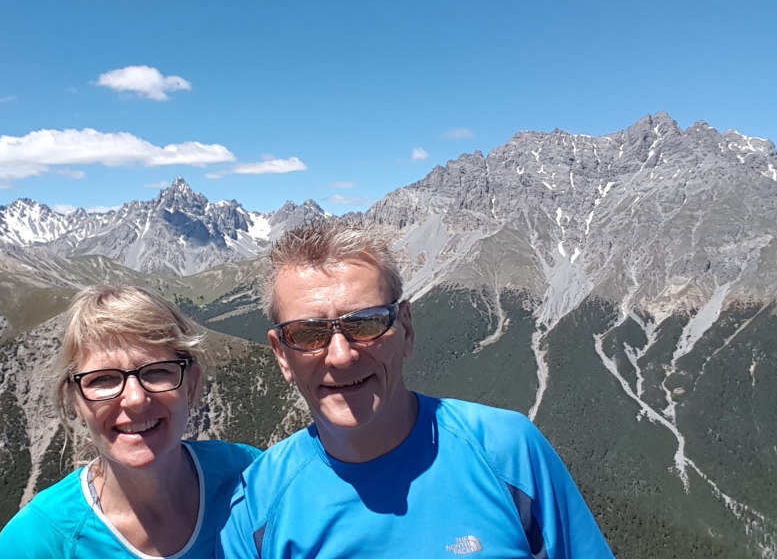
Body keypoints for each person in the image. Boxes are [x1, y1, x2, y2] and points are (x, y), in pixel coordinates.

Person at [220, 219, 614, 558]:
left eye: (366, 323)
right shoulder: (256, 503)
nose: (340, 356)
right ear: (282, 355)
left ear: (406, 329)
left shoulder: (509, 450)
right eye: (307, 334)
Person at [0, 285, 260, 558]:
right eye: (103, 379)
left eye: (157, 372)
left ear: (190, 385)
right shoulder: (38, 542)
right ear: (76, 401)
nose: (135, 399)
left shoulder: (251, 477)